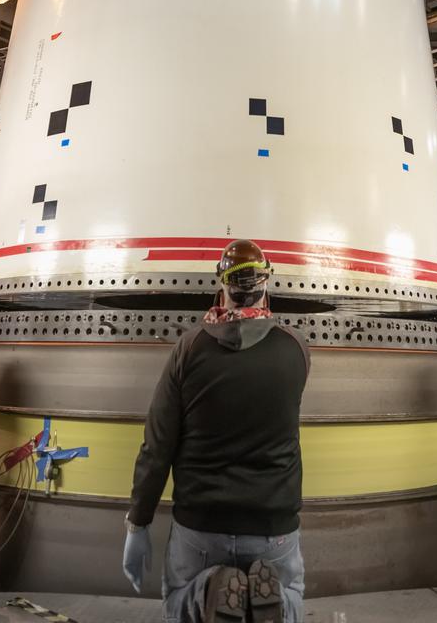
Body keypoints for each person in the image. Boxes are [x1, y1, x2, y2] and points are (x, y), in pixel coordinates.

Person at [122, 239, 310, 623]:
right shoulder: (296, 350)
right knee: (291, 596)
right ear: (265, 284)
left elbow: (157, 446)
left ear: (221, 287)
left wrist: (138, 522)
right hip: (273, 525)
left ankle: (206, 589)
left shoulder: (189, 350)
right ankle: (275, 603)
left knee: (177, 599)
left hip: (201, 525)